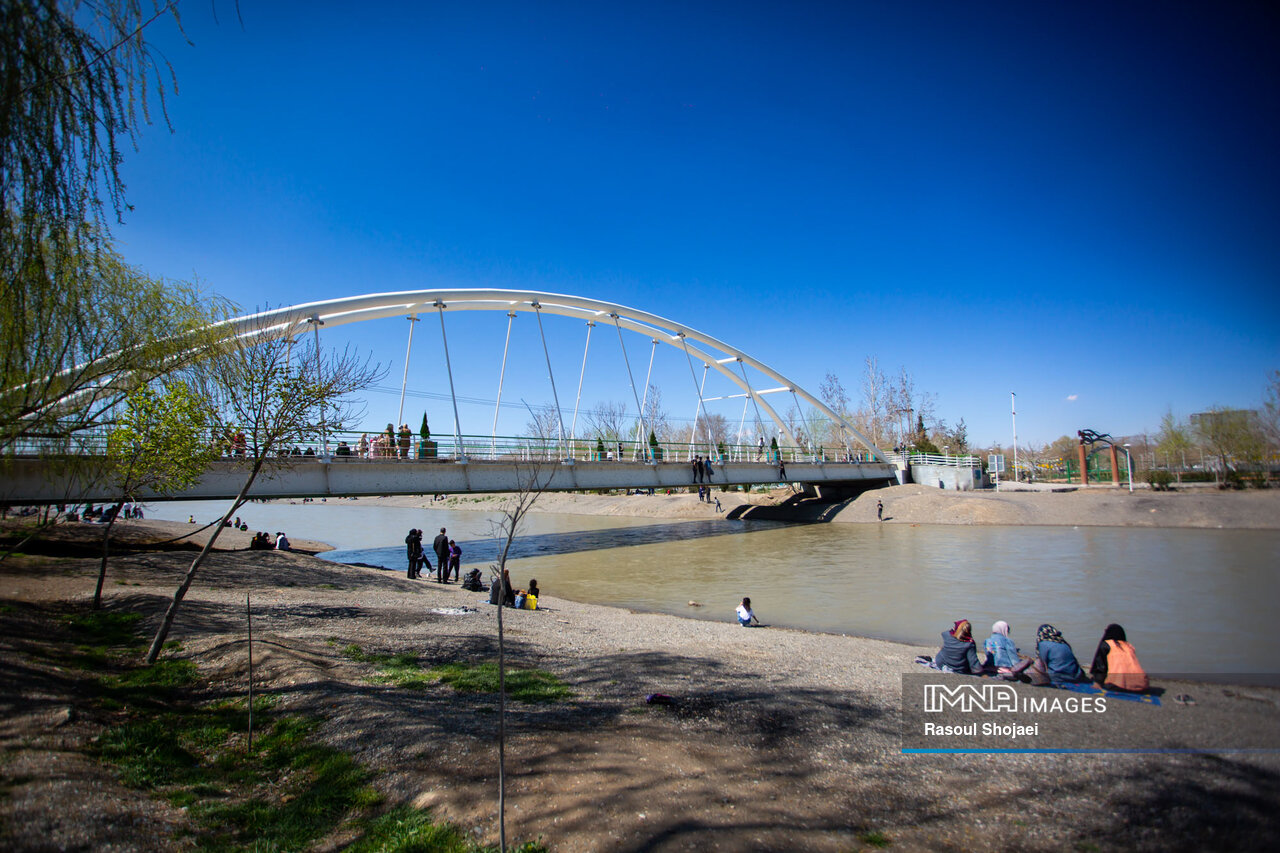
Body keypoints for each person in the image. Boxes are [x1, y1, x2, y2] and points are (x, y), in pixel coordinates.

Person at [1090, 624, 1149, 692]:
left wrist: (1097, 682)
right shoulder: (1129, 646)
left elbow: (1101, 666)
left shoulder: (1106, 644)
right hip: (1142, 685)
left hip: (1118, 685)